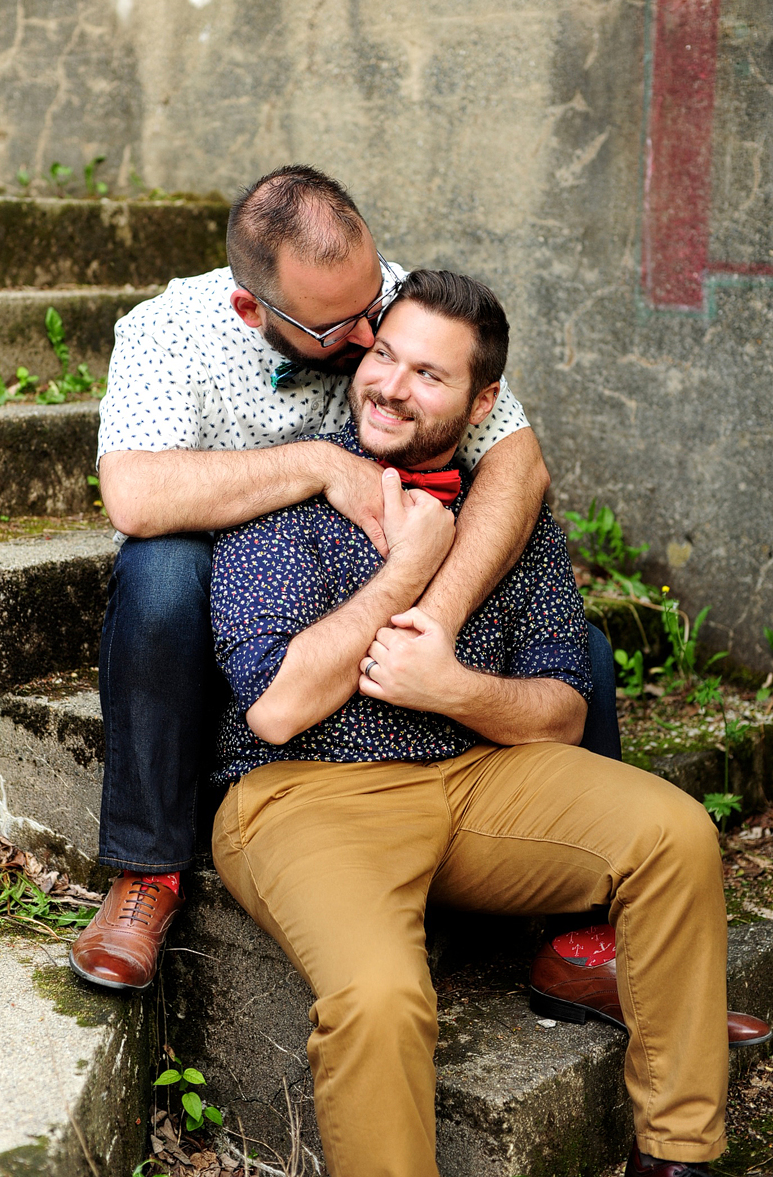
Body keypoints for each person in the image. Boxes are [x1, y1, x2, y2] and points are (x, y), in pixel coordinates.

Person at [208, 269, 739, 1177]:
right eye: (385, 356)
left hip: (476, 779)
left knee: (675, 831)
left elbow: (564, 707)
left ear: (481, 398)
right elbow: (279, 705)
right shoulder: (294, 488)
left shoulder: (508, 513)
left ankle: (679, 1155)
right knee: (377, 996)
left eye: (429, 374)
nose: (390, 385)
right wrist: (408, 570)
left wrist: (452, 687)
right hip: (307, 796)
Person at [69, 165, 620, 991]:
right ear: (253, 308)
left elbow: (516, 464)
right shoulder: (167, 332)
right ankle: (148, 868)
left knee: (585, 653)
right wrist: (320, 464)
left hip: (357, 589)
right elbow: (135, 495)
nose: (372, 340)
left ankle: (588, 942)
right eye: (345, 327)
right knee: (158, 576)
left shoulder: (388, 301)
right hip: (239, 588)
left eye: (375, 307)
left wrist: (433, 613)